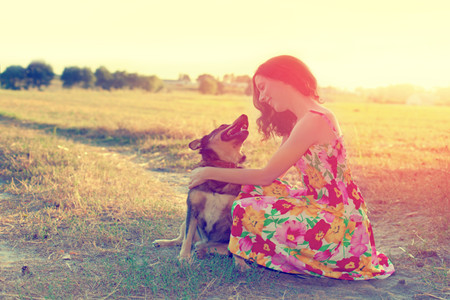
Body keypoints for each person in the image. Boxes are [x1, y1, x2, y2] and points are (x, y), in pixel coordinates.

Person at [189, 55, 395, 280]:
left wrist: (207, 172)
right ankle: (230, 244)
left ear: (283, 78)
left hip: (338, 219)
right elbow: (268, 176)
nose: (263, 97)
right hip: (317, 202)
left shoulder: (314, 119)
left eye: (263, 87)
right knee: (248, 191)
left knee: (244, 208)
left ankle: (234, 249)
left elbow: (266, 176)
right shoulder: (300, 122)